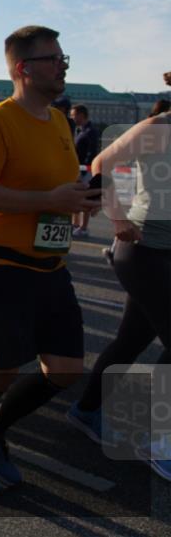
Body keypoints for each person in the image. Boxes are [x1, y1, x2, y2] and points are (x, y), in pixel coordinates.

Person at [0, 26, 100, 497]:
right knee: (1, 370)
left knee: (67, 369)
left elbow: (56, 189)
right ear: (23, 69)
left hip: (51, 265)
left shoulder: (58, 122)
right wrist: (46, 198)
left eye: (62, 56)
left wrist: (77, 200)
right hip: (1, 263)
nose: (62, 64)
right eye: (53, 58)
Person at [67, 101, 170, 481]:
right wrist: (117, 216)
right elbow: (102, 164)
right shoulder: (157, 127)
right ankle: (159, 442)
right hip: (142, 249)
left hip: (166, 254)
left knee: (131, 340)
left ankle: (86, 408)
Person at [71, 104, 100, 237]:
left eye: (74, 115)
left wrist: (84, 170)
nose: (72, 117)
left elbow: (91, 152)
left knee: (86, 197)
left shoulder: (90, 132)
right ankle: (75, 224)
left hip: (86, 170)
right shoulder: (80, 131)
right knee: (76, 197)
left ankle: (84, 227)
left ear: (81, 115)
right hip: (79, 169)